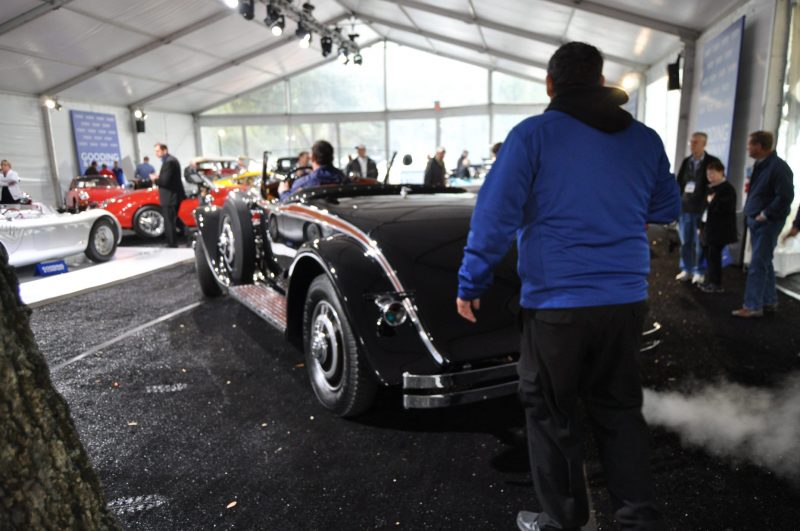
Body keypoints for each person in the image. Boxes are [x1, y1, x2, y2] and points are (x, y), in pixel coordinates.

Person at [456, 42, 679, 531]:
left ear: (551, 85)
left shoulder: (533, 135)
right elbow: (666, 208)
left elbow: (495, 215)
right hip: (625, 302)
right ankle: (637, 519)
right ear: (600, 81)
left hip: (557, 306)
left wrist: (471, 279)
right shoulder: (644, 139)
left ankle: (564, 522)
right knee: (620, 411)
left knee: (552, 416)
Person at [732, 131, 794, 318]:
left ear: (759, 146)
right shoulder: (762, 165)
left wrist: (765, 214)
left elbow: (785, 197)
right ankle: (768, 301)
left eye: (750, 145)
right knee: (764, 262)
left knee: (757, 264)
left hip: (767, 223)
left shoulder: (778, 167)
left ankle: (752, 306)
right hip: (758, 220)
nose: (748, 148)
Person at [675, 132, 721, 284]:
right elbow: (679, 183)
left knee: (700, 243)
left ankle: (699, 271)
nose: (692, 145)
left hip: (702, 210)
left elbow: (717, 184)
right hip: (685, 208)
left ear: (704, 144)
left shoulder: (712, 162)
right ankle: (686, 269)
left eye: (696, 142)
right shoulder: (687, 161)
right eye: (691, 142)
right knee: (685, 242)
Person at [697, 160, 737, 293]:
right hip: (708, 228)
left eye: (713, 173)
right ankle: (709, 281)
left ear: (721, 172)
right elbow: (704, 208)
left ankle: (716, 284)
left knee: (714, 257)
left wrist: (712, 201)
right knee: (709, 256)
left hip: (719, 230)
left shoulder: (727, 189)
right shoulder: (710, 188)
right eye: (708, 174)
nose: (710, 176)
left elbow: (726, 209)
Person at [278, 140, 344, 201]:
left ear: (312, 158)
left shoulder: (304, 183)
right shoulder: (343, 178)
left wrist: (283, 192)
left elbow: (289, 201)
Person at [150, 143, 186, 248]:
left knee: (169, 221)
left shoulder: (169, 162)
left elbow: (165, 181)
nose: (156, 153)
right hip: (173, 195)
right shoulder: (171, 161)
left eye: (158, 151)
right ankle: (188, 235)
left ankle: (172, 243)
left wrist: (155, 179)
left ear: (164, 150)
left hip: (170, 196)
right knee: (174, 219)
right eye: (155, 151)